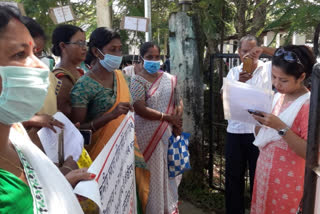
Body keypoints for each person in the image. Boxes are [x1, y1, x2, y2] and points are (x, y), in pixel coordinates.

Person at [0, 6, 94, 213]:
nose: (42, 67)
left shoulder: (16, 134)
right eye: (20, 54)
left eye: (36, 53)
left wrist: (61, 183)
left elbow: (33, 197)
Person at [70, 27, 150, 214]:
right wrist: (109, 117)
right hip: (100, 160)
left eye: (119, 49)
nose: (117, 54)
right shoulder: (85, 85)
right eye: (112, 50)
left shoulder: (123, 79)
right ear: (96, 52)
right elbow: (77, 130)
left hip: (125, 154)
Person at [250, 45, 316, 214]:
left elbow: (311, 153)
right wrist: (258, 122)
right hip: (266, 174)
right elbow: (263, 135)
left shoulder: (308, 105)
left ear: (301, 76)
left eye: (283, 80)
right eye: (273, 77)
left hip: (288, 181)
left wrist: (280, 127)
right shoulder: (278, 96)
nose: (276, 83)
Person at [130, 41, 183, 214]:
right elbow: (139, 107)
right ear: (141, 58)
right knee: (152, 175)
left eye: (157, 57)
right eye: (149, 57)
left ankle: (167, 207)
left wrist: (177, 119)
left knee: (167, 174)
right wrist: (167, 118)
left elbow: (178, 101)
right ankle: (153, 209)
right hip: (147, 135)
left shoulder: (168, 79)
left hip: (168, 133)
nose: (154, 60)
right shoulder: (137, 80)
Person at [223, 35, 273, 214]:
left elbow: (289, 55)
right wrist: (239, 84)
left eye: (253, 52)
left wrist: (266, 50)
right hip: (235, 132)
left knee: (258, 178)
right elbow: (224, 99)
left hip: (259, 133)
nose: (249, 56)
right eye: (245, 51)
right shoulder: (234, 72)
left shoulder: (268, 69)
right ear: (238, 52)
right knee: (233, 178)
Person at [51, 24, 87, 118]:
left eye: (84, 43)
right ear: (63, 46)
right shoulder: (62, 78)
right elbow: (68, 118)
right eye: (79, 43)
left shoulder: (79, 73)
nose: (84, 48)